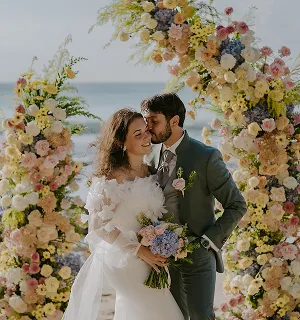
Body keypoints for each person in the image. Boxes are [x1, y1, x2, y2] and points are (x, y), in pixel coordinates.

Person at [62, 108, 184, 320]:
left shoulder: (151, 171)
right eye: (138, 134)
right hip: (126, 262)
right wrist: (140, 250)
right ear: (121, 143)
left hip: (151, 258)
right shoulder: (111, 179)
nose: (147, 136)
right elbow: (99, 227)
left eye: (146, 130)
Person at [141, 93, 247, 320]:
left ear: (174, 121)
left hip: (198, 255)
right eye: (146, 121)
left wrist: (208, 242)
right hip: (162, 260)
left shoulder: (205, 157)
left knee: (201, 317)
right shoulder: (151, 158)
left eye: (154, 121)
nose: (148, 127)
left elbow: (237, 204)